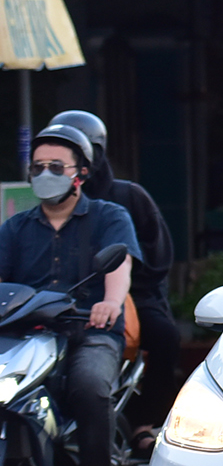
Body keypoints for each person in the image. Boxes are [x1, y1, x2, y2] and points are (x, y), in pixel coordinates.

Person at [0, 124, 141, 466]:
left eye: (56, 167)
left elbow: (120, 265)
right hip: (25, 335)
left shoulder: (109, 217)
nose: (45, 174)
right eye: (38, 166)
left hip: (90, 333)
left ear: (80, 172)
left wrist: (110, 302)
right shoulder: (14, 228)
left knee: (89, 385)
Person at [48, 110, 179, 441]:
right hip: (66, 298)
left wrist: (121, 291)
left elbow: (156, 255)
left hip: (132, 295)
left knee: (164, 337)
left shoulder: (125, 200)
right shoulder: (43, 208)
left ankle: (143, 423)